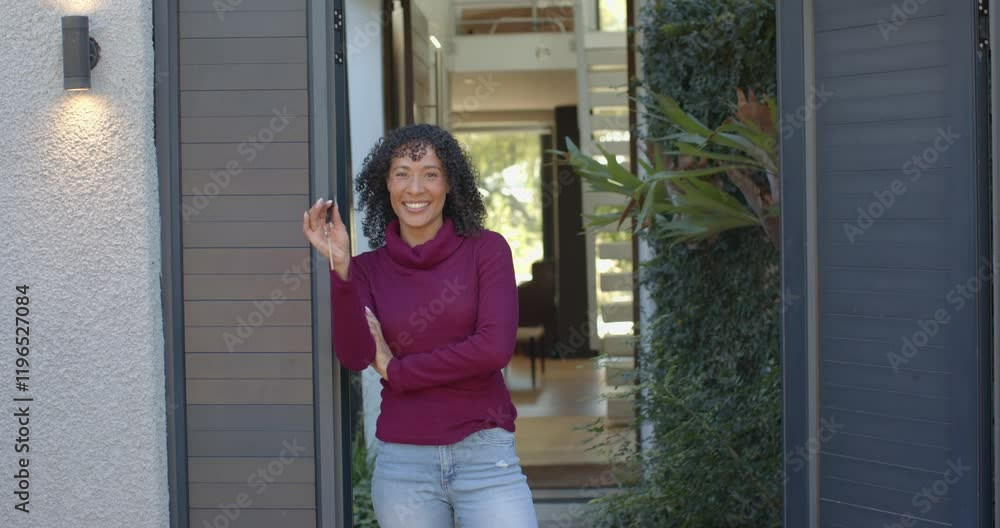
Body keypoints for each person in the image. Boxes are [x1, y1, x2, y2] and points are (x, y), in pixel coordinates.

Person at [302, 123, 538, 527]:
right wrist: (341, 269)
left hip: (484, 455)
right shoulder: (367, 270)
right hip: (404, 464)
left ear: (450, 183)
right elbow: (356, 356)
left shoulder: (487, 250)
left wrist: (397, 370)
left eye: (431, 173)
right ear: (386, 184)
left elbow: (493, 349)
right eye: (402, 173)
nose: (415, 188)